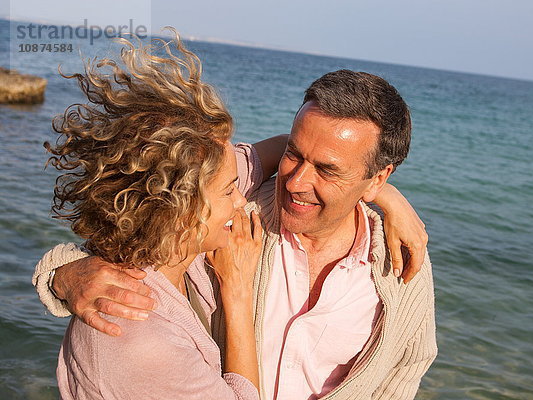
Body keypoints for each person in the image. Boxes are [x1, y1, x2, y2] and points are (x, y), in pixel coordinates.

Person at [34, 45, 435, 399]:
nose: (295, 182)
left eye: (328, 170)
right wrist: (64, 275)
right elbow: (135, 222)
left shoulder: (401, 262)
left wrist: (387, 199)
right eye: (294, 154)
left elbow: (404, 372)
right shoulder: (232, 218)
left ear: (378, 177)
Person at [44, 32, 266, 399]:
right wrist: (238, 291)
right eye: (229, 190)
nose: (241, 200)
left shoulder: (169, 251)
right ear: (180, 209)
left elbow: (270, 154)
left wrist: (381, 192)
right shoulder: (139, 333)